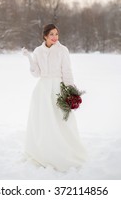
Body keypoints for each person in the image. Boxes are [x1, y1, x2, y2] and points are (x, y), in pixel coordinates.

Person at [22, 23, 87, 172]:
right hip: (43, 90)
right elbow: (36, 73)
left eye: (56, 34)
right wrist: (30, 59)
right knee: (43, 121)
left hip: (58, 87)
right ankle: (43, 152)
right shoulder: (38, 51)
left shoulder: (62, 50)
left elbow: (67, 71)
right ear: (45, 36)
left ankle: (64, 151)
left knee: (61, 120)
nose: (55, 37)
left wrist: (70, 91)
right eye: (51, 34)